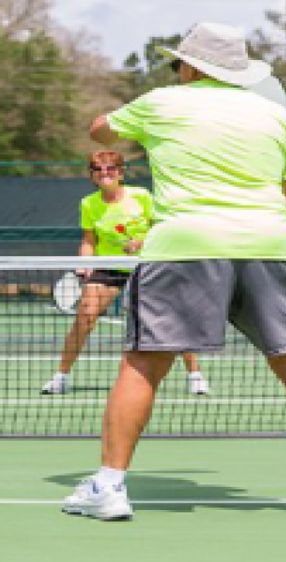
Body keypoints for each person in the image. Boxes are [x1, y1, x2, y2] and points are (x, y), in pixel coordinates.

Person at [62, 22, 286, 521]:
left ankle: (109, 488)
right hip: (270, 246)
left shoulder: (162, 102)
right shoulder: (280, 119)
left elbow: (99, 130)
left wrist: (146, 134)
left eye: (177, 63)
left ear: (190, 66)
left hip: (185, 246)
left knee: (143, 364)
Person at [41, 150, 208, 397]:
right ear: (91, 175)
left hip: (147, 265)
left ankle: (195, 375)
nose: (104, 174)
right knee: (85, 316)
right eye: (98, 170)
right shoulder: (89, 203)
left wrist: (141, 242)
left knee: (172, 319)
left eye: (110, 169)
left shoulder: (142, 197)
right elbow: (89, 240)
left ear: (120, 172)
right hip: (108, 267)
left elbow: (162, 227)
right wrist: (84, 262)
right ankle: (61, 377)